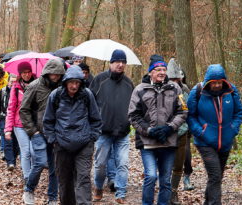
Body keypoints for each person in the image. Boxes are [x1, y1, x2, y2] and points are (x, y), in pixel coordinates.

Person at [128, 54, 187, 205]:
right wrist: (148, 130)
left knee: (165, 180)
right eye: (158, 69)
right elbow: (133, 115)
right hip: (148, 142)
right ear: (150, 72)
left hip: (168, 141)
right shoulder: (139, 90)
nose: (162, 72)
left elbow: (183, 112)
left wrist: (169, 128)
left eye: (164, 69)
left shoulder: (175, 88)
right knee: (151, 176)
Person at [43, 65, 102, 205]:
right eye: (71, 82)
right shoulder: (56, 96)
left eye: (77, 83)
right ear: (65, 82)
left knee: (83, 178)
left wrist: (92, 138)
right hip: (62, 145)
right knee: (65, 180)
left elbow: (96, 119)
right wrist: (53, 139)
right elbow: (48, 121)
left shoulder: (87, 95)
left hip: (84, 144)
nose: (74, 86)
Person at [187, 64, 242, 205]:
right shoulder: (197, 91)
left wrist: (233, 129)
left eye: (220, 82)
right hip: (205, 141)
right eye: (214, 82)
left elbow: (239, 112)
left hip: (225, 141)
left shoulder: (231, 91)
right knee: (215, 175)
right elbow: (190, 115)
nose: (217, 85)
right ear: (208, 82)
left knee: (217, 177)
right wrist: (200, 132)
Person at [89, 49, 133, 204]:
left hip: (123, 132)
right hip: (103, 131)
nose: (120, 65)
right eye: (117, 62)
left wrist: (130, 121)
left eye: (123, 62)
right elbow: (90, 103)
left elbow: (133, 107)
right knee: (100, 164)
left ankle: (120, 192)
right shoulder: (99, 80)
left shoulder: (129, 83)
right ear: (111, 63)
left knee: (123, 163)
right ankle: (99, 187)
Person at [19, 58, 65, 205]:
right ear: (47, 73)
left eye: (58, 74)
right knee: (40, 161)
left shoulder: (62, 88)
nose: (56, 77)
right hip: (38, 132)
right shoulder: (34, 86)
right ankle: (29, 189)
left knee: (54, 167)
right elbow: (24, 110)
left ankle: (52, 198)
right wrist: (33, 131)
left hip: (56, 133)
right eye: (53, 74)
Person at [4, 62, 36, 182]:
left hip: (33, 124)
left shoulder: (37, 85)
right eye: (24, 72)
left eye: (28, 72)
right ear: (20, 74)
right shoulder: (16, 88)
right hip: (19, 125)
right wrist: (8, 129)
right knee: (26, 151)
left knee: (34, 152)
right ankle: (27, 177)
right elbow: (11, 108)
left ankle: (33, 173)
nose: (27, 75)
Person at [165, 58, 191, 204]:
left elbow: (187, 110)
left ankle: (173, 192)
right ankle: (166, 189)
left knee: (179, 165)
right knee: (165, 165)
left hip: (181, 133)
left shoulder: (184, 91)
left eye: (176, 79)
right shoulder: (160, 90)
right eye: (171, 79)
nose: (174, 82)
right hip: (166, 134)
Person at [0, 74, 18, 169]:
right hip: (4, 118)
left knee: (15, 142)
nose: (12, 83)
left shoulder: (19, 91)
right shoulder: (2, 91)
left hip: (16, 119)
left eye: (14, 81)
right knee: (8, 140)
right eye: (11, 81)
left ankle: (14, 158)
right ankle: (10, 162)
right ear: (8, 81)